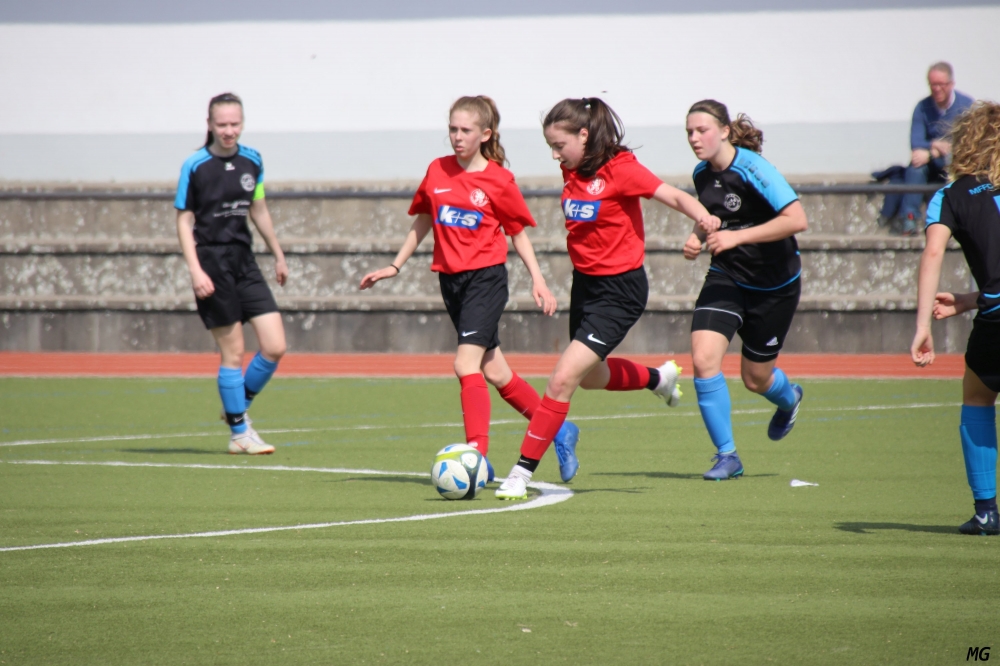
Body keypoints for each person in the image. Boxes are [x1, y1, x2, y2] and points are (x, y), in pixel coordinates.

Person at [493, 97, 717, 501]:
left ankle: (520, 473)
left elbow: (672, 195)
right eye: (550, 146)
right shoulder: (572, 167)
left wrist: (702, 217)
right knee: (591, 378)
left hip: (620, 291)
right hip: (586, 286)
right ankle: (659, 379)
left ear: (584, 135)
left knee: (562, 379)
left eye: (559, 145)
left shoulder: (621, 168)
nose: (555, 155)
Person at [360, 95, 580, 483]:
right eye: (453, 129)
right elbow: (423, 220)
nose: (457, 137)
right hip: (451, 283)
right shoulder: (437, 170)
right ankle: (559, 430)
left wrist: (538, 280)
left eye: (465, 130)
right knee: (495, 371)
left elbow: (517, 233)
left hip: (485, 280)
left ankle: (476, 454)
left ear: (485, 134)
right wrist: (395, 265)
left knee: (465, 365)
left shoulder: (498, 180)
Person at [682, 100, 809, 481]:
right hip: (726, 277)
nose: (694, 138)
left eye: (701, 130)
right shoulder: (701, 174)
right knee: (704, 359)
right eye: (689, 132)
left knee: (755, 379)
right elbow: (714, 215)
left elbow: (797, 219)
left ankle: (789, 399)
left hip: (775, 286)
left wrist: (736, 238)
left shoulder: (754, 168)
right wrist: (696, 236)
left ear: (724, 131)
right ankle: (728, 456)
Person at [175, 92, 288, 455]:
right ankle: (240, 433)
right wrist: (195, 270)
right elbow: (184, 220)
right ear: (209, 124)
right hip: (210, 262)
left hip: (244, 261)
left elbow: (259, 210)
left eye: (234, 124)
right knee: (234, 352)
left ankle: (235, 408)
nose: (229, 131)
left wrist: (278, 254)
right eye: (222, 124)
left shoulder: (252, 159)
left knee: (275, 345)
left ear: (243, 123)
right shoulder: (195, 165)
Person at [911, 100, 1000, 536]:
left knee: (978, 397)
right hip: (991, 305)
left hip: (996, 321)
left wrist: (922, 327)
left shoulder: (950, 196)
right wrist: (968, 300)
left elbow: (933, 254)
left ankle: (986, 512)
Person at [899, 62, 974, 235]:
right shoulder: (922, 107)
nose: (937, 89)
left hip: (955, 161)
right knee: (916, 165)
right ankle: (910, 218)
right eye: (933, 84)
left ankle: (961, 219)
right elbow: (916, 142)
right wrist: (935, 146)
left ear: (951, 84)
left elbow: (968, 143)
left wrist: (935, 150)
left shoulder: (966, 105)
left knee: (954, 161)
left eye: (941, 84)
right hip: (931, 163)